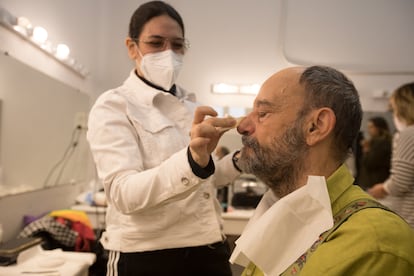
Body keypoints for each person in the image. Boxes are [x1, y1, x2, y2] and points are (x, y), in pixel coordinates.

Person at [196, 65, 414, 275]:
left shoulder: (375, 245)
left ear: (315, 127)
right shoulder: (279, 214)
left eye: (262, 113)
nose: (242, 126)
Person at [86, 1, 241, 275]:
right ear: (132, 47)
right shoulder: (114, 105)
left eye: (178, 45)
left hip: (207, 247)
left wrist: (242, 159)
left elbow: (205, 180)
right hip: (145, 255)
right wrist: (192, 160)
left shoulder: (192, 107)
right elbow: (123, 194)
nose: (168, 53)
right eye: (156, 43)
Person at [368, 82, 414, 227]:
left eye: (393, 110)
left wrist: (382, 188)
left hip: (409, 220)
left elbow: (400, 183)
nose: (393, 115)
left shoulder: (408, 134)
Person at [358, 116, 392, 190]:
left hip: (375, 183)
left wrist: (366, 149)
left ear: (379, 128)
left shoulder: (382, 143)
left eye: (371, 127)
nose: (369, 130)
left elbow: (370, 163)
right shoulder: (374, 142)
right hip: (371, 182)